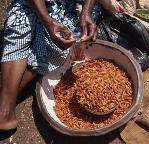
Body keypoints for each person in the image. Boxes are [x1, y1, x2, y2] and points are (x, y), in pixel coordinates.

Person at [0, 0, 101, 130]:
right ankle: (4, 110)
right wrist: (47, 21)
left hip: (71, 6)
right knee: (21, 23)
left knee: (65, 44)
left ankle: (4, 104)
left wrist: (86, 12)